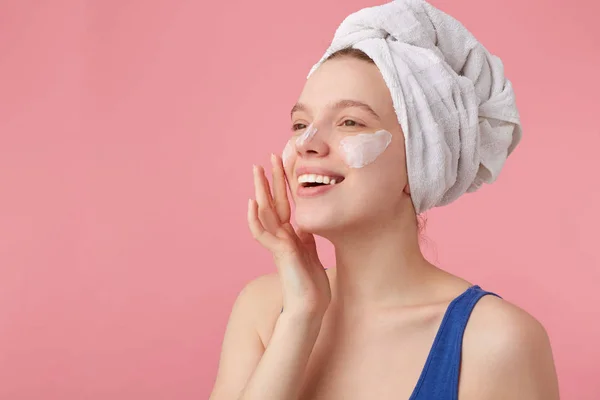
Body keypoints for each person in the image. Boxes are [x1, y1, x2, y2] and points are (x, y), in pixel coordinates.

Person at [210, 1, 560, 399]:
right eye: (300, 124)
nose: (306, 144)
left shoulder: (494, 342)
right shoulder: (265, 311)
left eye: (350, 122)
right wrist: (302, 317)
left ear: (421, 162)